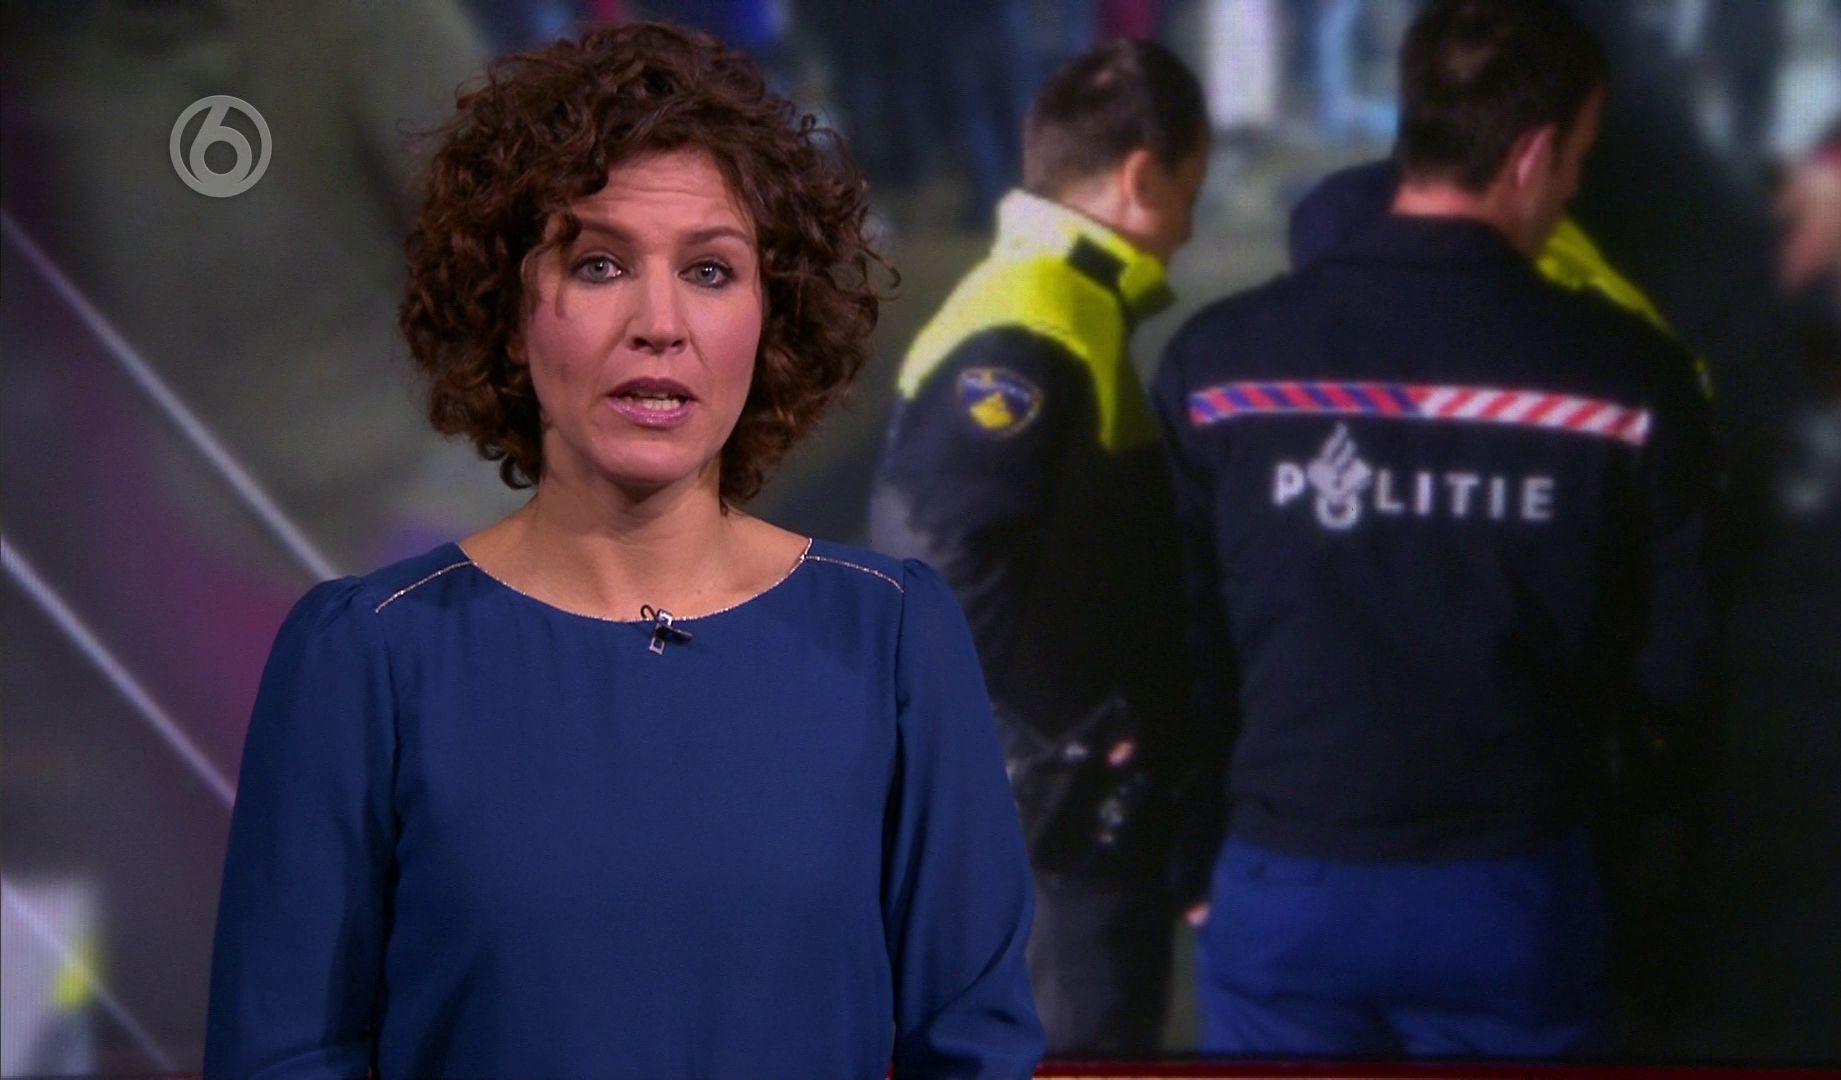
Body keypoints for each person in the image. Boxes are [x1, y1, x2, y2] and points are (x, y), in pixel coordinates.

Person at [202, 22, 1044, 1079]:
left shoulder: (891, 637)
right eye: (599, 263)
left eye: (711, 270)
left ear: (772, 316)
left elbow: (972, 1048)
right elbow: (282, 1056)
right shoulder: (367, 658)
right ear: (509, 309)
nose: (659, 322)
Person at [1153, 0, 1720, 1058]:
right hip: (1515, 891)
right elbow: (1676, 663)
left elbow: (1173, 637)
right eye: (1577, 161)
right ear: (1534, 155)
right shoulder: (1628, 382)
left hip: (1284, 885)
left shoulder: (1219, 368)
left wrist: (1191, 855)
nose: (1573, 189)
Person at [867, 38, 1208, 1057]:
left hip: (1058, 817)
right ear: (1142, 178)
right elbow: (941, 553)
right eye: (1190, 193)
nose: (1191, 229)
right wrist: (1041, 767)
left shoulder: (1055, 308)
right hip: (1050, 841)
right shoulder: (1032, 323)